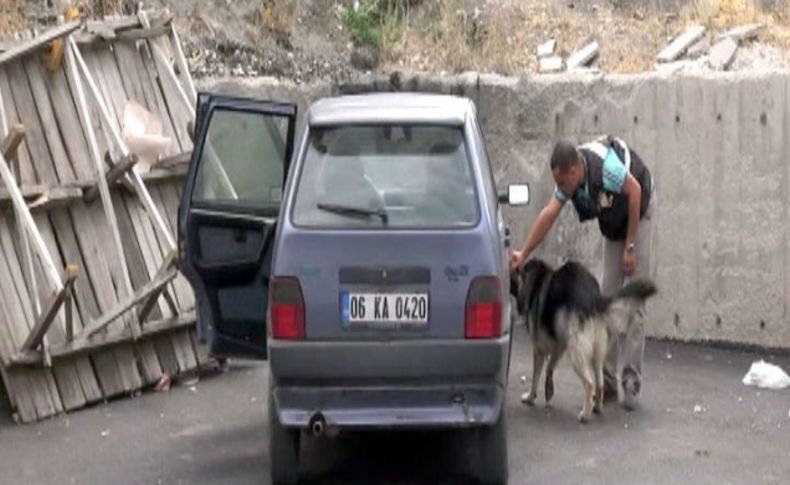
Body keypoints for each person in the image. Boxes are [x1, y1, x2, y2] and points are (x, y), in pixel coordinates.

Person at [510, 135, 655, 410]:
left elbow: (634, 192)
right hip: (615, 221)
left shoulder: (606, 170)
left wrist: (631, 246)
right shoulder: (572, 179)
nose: (560, 189)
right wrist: (523, 253)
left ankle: (630, 382)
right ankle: (607, 382)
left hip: (639, 210)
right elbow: (548, 215)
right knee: (608, 300)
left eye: (562, 182)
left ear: (574, 171)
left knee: (633, 305)